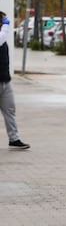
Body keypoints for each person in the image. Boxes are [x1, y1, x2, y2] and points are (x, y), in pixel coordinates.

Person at [0, 11, 30, 150]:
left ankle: (14, 138)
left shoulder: (3, 40)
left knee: (10, 110)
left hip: (5, 81)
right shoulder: (1, 37)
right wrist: (6, 26)